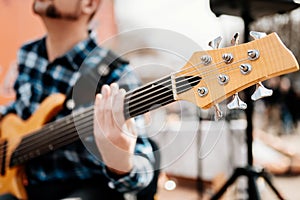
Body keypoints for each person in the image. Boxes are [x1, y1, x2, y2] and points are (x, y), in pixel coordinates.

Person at [0, 0, 155, 199]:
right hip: (26, 185)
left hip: (85, 188)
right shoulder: (28, 53)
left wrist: (121, 162)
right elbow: (20, 110)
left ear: (88, 4)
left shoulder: (116, 74)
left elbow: (144, 168)